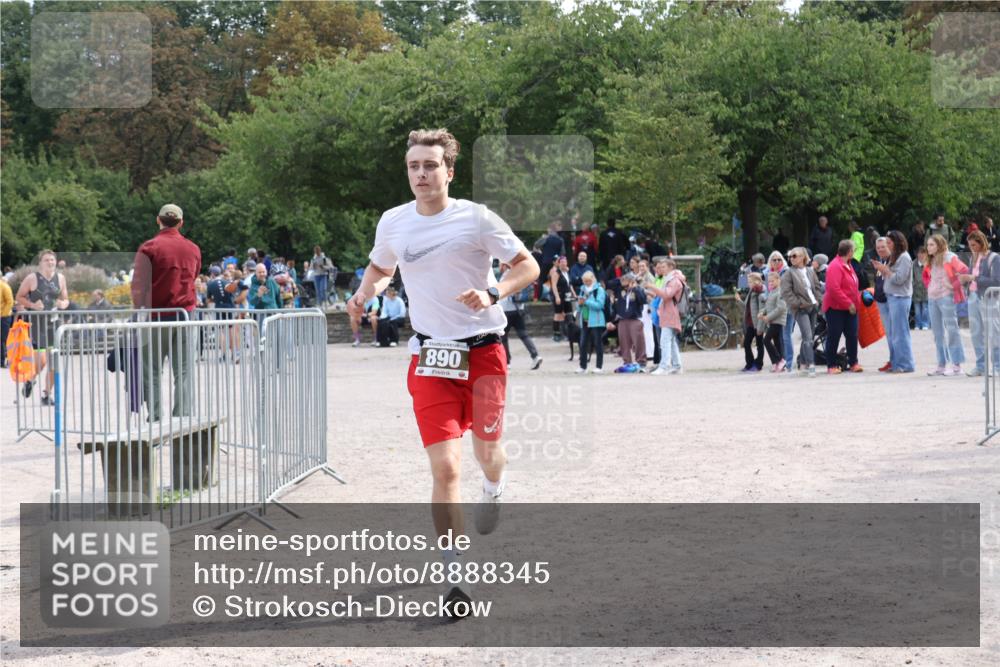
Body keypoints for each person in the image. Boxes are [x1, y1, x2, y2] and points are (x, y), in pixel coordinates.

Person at [347, 128, 539, 615]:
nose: (421, 174)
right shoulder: (394, 221)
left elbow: (527, 266)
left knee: (488, 454)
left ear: (448, 172)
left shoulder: (476, 218)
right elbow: (380, 269)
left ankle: (493, 487)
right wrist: (364, 292)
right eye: (414, 166)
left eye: (430, 165)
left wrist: (493, 293)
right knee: (446, 467)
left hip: (485, 353)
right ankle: (455, 575)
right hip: (431, 357)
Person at [130, 204, 201, 421]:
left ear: (158, 220)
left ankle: (156, 418)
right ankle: (183, 418)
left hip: (156, 315)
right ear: (181, 223)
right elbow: (194, 276)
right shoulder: (193, 249)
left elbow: (139, 284)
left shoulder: (149, 247)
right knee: (184, 370)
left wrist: (138, 309)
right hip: (186, 314)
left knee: (151, 370)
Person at [15, 250, 70, 404]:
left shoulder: (61, 278)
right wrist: (32, 305)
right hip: (37, 325)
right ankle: (30, 380)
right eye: (46, 260)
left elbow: (66, 299)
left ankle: (46, 395)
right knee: (42, 361)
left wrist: (63, 304)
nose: (50, 262)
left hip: (54, 324)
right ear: (40, 263)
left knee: (53, 362)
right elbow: (19, 297)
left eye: (52, 260)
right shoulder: (32, 278)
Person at [923, 233, 969, 376]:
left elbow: (964, 270)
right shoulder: (931, 259)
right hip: (932, 298)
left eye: (931, 244)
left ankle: (957, 366)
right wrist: (929, 286)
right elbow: (927, 276)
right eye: (928, 245)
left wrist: (953, 285)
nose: (928, 247)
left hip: (946, 297)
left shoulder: (949, 257)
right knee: (937, 333)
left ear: (939, 245)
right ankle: (941, 365)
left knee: (952, 329)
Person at [958, 230, 1000, 377]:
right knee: (976, 333)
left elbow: (997, 281)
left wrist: (973, 278)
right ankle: (981, 366)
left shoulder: (994, 258)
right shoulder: (973, 258)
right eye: (970, 245)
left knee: (994, 332)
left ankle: (997, 366)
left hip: (988, 298)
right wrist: (964, 280)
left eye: (974, 245)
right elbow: (971, 278)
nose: (971, 248)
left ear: (982, 243)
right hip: (973, 297)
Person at [873, 230, 915, 373]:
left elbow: (899, 279)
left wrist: (885, 270)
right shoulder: (897, 257)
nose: (888, 245)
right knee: (896, 334)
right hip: (893, 297)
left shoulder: (904, 257)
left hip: (900, 298)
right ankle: (897, 363)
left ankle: (905, 365)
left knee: (900, 334)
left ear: (897, 243)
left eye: (889, 243)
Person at [822, 240, 863, 374]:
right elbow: (833, 289)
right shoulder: (835, 266)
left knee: (852, 335)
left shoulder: (848, 264)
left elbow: (852, 286)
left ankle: (853, 363)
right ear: (849, 252)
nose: (854, 252)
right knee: (834, 336)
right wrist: (848, 303)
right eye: (854, 250)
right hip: (835, 308)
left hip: (850, 308)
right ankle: (831, 365)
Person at [780, 247, 822, 377]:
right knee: (808, 336)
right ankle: (811, 365)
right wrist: (798, 304)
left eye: (794, 256)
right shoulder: (788, 273)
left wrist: (818, 301)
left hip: (813, 306)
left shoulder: (810, 271)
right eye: (790, 256)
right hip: (800, 309)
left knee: (808, 336)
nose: (791, 258)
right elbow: (786, 293)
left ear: (803, 257)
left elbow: (817, 287)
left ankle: (803, 363)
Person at [645, 257, 687, 375]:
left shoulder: (674, 280)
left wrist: (652, 287)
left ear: (671, 267)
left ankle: (664, 366)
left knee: (665, 341)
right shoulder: (668, 279)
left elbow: (666, 295)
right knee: (671, 341)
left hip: (671, 313)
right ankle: (677, 366)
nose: (661, 269)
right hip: (667, 312)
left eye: (664, 267)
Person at [498, 264, 542, 369]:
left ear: (504, 265)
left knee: (503, 337)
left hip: (507, 310)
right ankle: (535, 356)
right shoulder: (520, 272)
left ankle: (507, 362)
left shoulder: (506, 275)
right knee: (524, 334)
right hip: (519, 309)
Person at [608, 271, 646, 372]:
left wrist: (635, 288)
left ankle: (641, 362)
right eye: (623, 282)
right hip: (622, 319)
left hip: (635, 319)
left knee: (638, 341)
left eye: (627, 282)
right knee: (624, 342)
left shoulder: (638, 289)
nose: (625, 285)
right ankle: (627, 362)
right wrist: (621, 280)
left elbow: (643, 300)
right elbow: (609, 283)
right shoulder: (619, 288)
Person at [573, 271, 606, 374]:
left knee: (597, 343)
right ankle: (583, 366)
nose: (586, 283)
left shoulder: (599, 290)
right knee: (582, 344)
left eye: (588, 281)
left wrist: (586, 302)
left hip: (596, 321)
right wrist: (579, 304)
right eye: (585, 281)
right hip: (584, 320)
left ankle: (599, 367)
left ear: (593, 279)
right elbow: (579, 307)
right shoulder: (582, 290)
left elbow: (600, 305)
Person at [735, 272, 766, 372]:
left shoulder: (760, 293)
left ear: (757, 281)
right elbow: (746, 308)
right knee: (746, 343)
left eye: (750, 282)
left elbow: (762, 310)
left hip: (757, 323)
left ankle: (758, 365)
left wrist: (760, 327)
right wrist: (739, 300)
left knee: (759, 344)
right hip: (750, 323)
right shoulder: (752, 291)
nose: (748, 284)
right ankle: (750, 364)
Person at [871, 237, 893, 372]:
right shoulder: (881, 261)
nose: (880, 250)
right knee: (889, 333)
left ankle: (895, 360)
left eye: (883, 247)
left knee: (893, 333)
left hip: (890, 300)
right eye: (878, 248)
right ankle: (892, 359)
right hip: (881, 301)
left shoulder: (893, 261)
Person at [759, 271, 788, 372]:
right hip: (772, 321)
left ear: (779, 280)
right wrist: (762, 312)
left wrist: (768, 317)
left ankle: (780, 360)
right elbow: (768, 306)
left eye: (773, 281)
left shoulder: (780, 292)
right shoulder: (772, 292)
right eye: (769, 281)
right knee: (777, 343)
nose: (770, 283)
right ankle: (777, 363)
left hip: (778, 321)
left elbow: (781, 308)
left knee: (766, 340)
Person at [548, 255, 575, 343]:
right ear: (559, 263)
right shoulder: (556, 273)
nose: (563, 263)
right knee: (558, 315)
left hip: (567, 295)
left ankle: (570, 334)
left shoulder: (567, 272)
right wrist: (557, 296)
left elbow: (569, 284)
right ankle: (556, 334)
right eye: (562, 262)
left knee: (569, 313)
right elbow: (554, 285)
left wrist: (574, 294)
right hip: (560, 295)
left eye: (565, 262)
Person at [912, 246, 930, 330]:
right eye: (920, 253)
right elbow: (911, 277)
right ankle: (917, 324)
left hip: (927, 290)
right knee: (917, 309)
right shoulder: (913, 264)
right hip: (916, 290)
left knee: (925, 308)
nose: (921, 255)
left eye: (923, 253)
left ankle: (925, 324)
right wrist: (913, 285)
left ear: (926, 254)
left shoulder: (929, 264)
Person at [0, 273, 14, 368]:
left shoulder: (4, 286)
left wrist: (3, 315)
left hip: (4, 317)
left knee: (2, 339)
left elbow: (10, 302)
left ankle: (2, 361)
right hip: (3, 316)